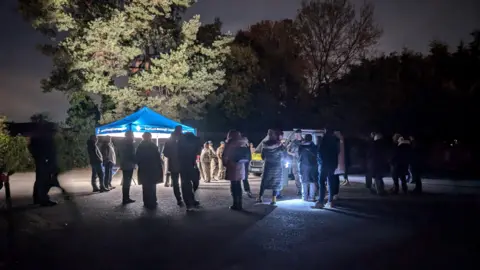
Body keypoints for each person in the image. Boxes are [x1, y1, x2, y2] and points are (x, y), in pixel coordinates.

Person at [256, 129, 286, 205]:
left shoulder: (264, 145)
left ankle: (260, 197)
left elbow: (262, 156)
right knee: (276, 183)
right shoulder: (279, 145)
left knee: (264, 182)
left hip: (268, 166)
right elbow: (284, 155)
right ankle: (273, 200)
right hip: (277, 166)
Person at [222, 130, 250, 210]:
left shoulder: (230, 143)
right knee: (238, 185)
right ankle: (240, 203)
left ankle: (235, 204)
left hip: (232, 165)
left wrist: (225, 163)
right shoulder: (244, 142)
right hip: (241, 165)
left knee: (234, 185)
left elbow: (225, 155)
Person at [136, 132, 163, 209]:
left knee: (145, 185)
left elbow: (137, 158)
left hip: (144, 168)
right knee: (152, 185)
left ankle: (146, 201)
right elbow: (158, 157)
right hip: (153, 168)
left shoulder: (140, 146)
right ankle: (153, 200)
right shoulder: (153, 146)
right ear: (150, 137)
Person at [314, 128, 339, 209]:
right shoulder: (335, 140)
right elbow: (337, 152)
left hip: (324, 164)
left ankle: (321, 201)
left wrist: (320, 162)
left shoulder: (323, 140)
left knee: (322, 182)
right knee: (330, 181)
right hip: (332, 164)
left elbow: (320, 151)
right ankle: (330, 201)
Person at [178, 132, 202, 211]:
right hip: (184, 165)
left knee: (192, 183)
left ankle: (191, 201)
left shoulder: (190, 143)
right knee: (187, 184)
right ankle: (189, 203)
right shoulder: (181, 143)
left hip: (190, 165)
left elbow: (198, 151)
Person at [163, 126, 184, 206]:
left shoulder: (170, 140)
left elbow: (165, 153)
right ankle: (180, 199)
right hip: (179, 164)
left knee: (178, 183)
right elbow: (166, 153)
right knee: (179, 183)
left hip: (177, 164)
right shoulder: (182, 139)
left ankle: (180, 199)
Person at [298, 134, 318, 201]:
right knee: (312, 181)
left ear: (305, 139)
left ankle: (305, 197)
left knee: (304, 181)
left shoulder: (301, 147)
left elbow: (299, 157)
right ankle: (312, 197)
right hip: (313, 166)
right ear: (311, 139)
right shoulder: (314, 147)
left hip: (304, 165)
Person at [120, 131, 136, 204]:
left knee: (126, 182)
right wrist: (136, 161)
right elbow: (131, 155)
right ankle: (126, 198)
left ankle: (125, 198)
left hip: (125, 164)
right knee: (127, 182)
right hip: (129, 165)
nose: (133, 136)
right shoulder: (129, 144)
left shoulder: (123, 143)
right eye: (132, 135)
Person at [287, 129, 303, 196]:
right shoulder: (293, 142)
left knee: (303, 175)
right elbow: (288, 151)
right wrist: (292, 154)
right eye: (295, 135)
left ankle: (304, 190)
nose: (296, 136)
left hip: (302, 161)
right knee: (296, 176)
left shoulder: (304, 142)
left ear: (300, 134)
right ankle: (299, 190)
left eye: (297, 134)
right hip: (295, 161)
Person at [332, 131, 346, 199]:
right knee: (336, 179)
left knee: (333, 178)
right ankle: (335, 194)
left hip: (334, 163)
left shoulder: (336, 143)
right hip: (338, 164)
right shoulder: (341, 142)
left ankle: (333, 193)